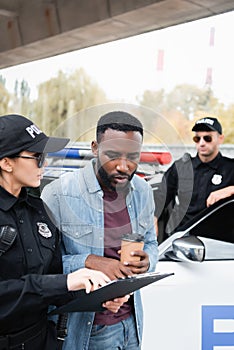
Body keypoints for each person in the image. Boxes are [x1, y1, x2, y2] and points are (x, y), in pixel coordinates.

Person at [0, 113, 125, 350]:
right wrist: (66, 281)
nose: (44, 164)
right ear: (6, 163)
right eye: (37, 157)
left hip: (41, 339)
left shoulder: (39, 210)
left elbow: (55, 282)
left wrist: (98, 296)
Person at [42, 111, 158, 350]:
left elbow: (151, 243)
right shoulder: (58, 194)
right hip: (85, 329)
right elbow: (41, 269)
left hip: (132, 324)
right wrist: (90, 262)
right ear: (95, 147)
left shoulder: (143, 191)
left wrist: (147, 262)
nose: (124, 166)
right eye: (113, 155)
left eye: (133, 157)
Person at [154, 116, 234, 241]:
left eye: (207, 138)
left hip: (219, 244)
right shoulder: (181, 167)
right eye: (197, 138)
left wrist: (231, 189)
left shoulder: (230, 168)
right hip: (183, 239)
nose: (202, 143)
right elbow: (160, 196)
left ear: (220, 139)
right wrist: (153, 219)